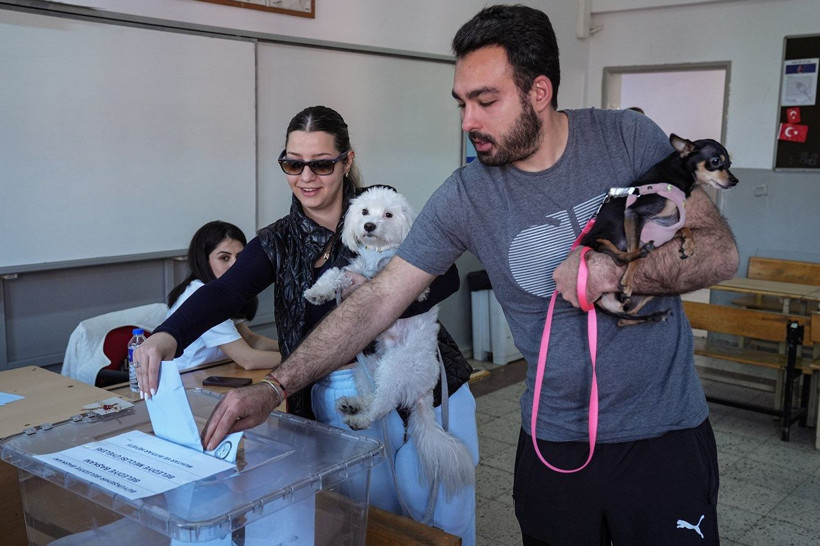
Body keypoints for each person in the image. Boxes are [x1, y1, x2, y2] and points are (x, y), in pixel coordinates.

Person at [138, 5, 741, 544]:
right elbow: (379, 300)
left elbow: (718, 253)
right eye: (461, 103)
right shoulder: (465, 196)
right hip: (555, 438)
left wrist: (615, 271)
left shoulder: (628, 139)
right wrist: (274, 388)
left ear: (538, 91)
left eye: (486, 101)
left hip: (664, 433)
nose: (467, 121)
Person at [136, 105, 478, 543]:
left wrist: (378, 303)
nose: (306, 177)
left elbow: (443, 274)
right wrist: (169, 334)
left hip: (424, 376)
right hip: (344, 394)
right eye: (293, 163)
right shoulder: (278, 240)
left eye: (321, 164)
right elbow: (225, 291)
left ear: (347, 161)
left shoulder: (379, 207)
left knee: (446, 516)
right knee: (378, 523)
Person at [165, 220, 280, 371]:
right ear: (204, 261)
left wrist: (294, 347)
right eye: (224, 258)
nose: (235, 266)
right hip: (186, 381)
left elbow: (251, 339)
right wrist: (305, 359)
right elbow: (249, 360)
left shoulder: (227, 293)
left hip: (210, 373)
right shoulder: (202, 294)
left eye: (240, 258)